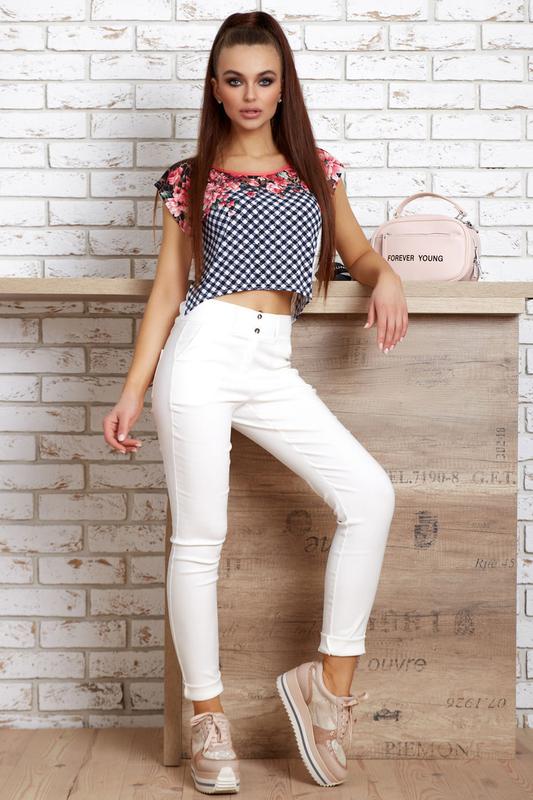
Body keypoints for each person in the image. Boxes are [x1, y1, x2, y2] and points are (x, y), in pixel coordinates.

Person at [103, 10, 407, 795]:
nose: (249, 94)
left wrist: (387, 278)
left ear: (282, 86)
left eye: (264, 80)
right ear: (215, 86)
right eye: (235, 80)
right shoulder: (188, 179)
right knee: (199, 539)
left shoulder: (316, 170)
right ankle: (209, 722)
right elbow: (168, 288)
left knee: (368, 494)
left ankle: (327, 689)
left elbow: (358, 253)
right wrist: (133, 389)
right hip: (201, 353)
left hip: (272, 362)